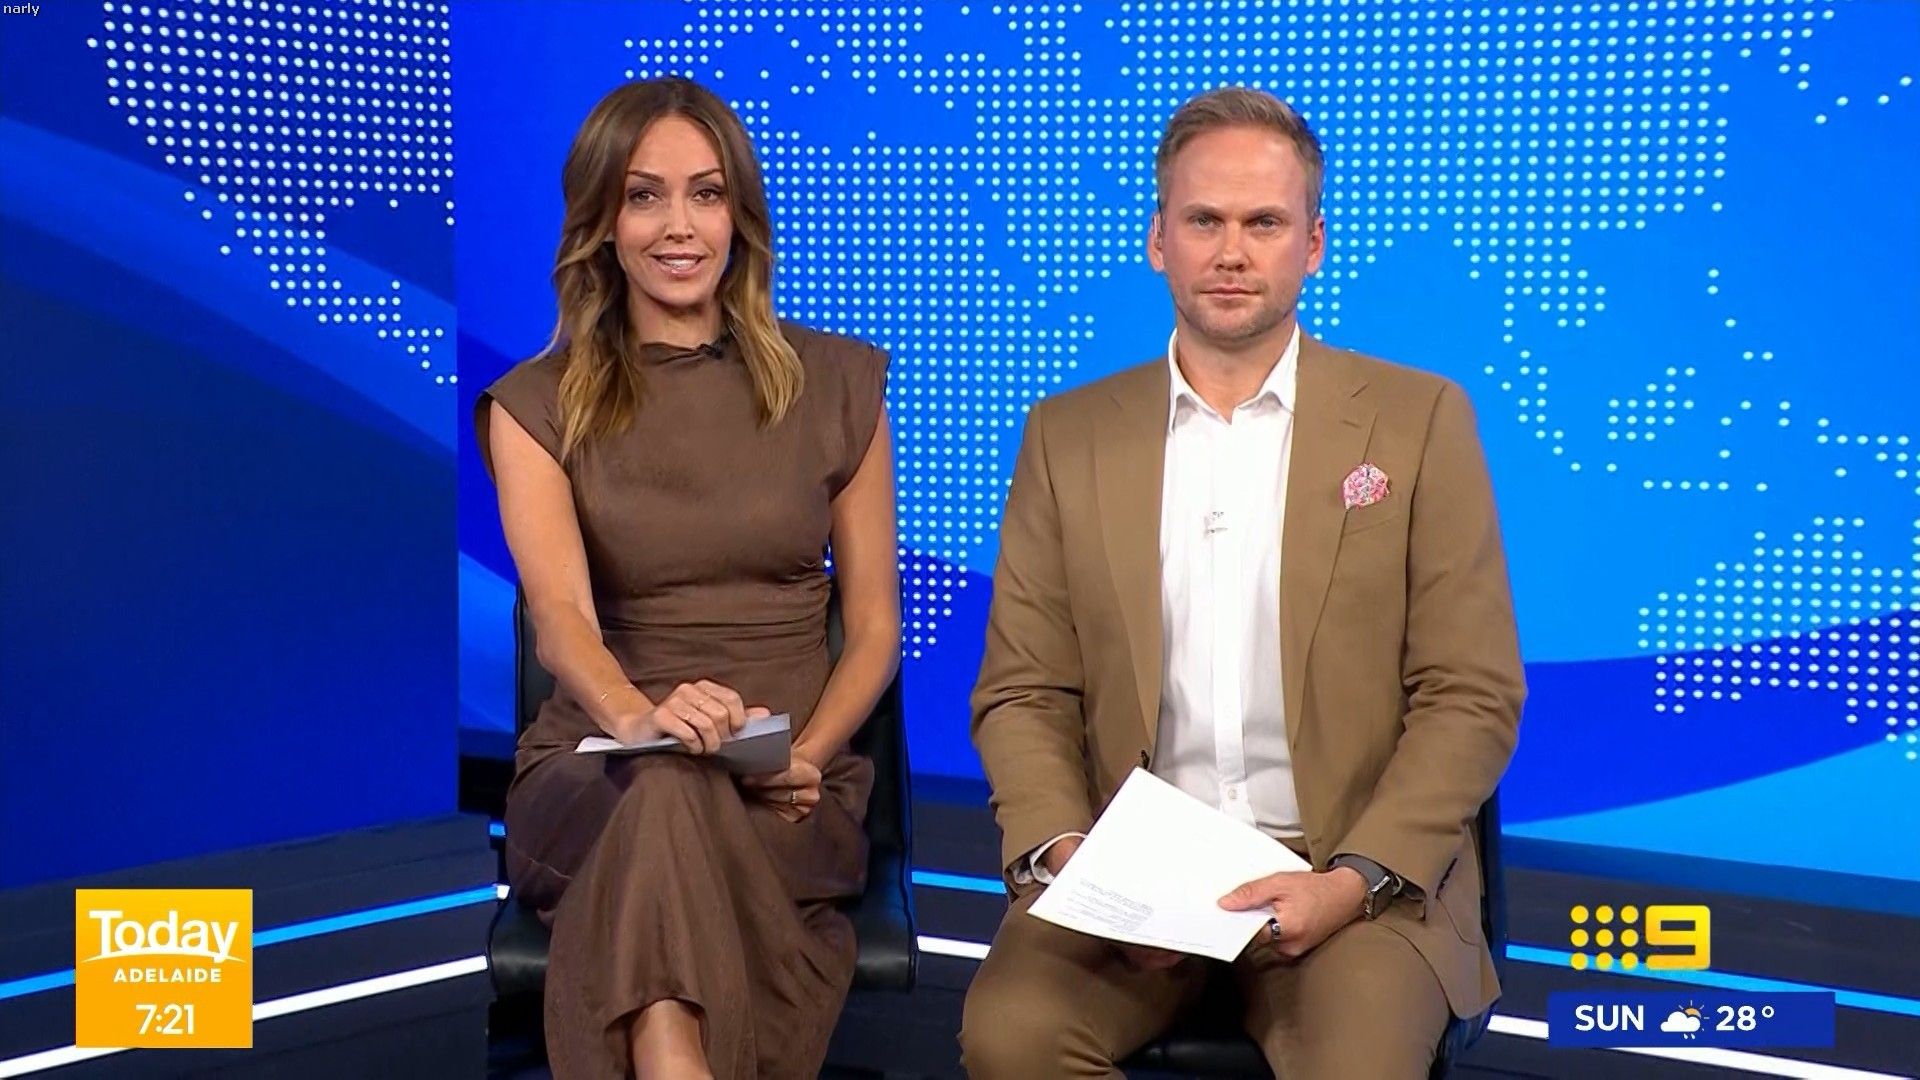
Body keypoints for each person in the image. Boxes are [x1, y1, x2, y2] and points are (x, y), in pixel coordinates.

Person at [960, 86, 1526, 1078]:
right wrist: (1073, 858)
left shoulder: (1419, 420)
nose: (1231, 252)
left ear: (1313, 245)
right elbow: (1024, 690)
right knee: (1011, 1039)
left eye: (1263, 223)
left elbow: (1470, 693)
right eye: (1203, 221)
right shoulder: (1067, 435)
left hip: (1349, 883)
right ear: (1158, 240)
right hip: (1133, 883)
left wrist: (1350, 881)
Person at [477, 77, 899, 1080]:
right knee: (664, 788)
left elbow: (876, 627)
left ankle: (670, 1052)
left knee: (673, 820)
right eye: (644, 196)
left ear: (738, 214)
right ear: (602, 222)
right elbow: (561, 620)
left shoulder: (840, 385)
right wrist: (641, 720)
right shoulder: (535, 405)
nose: (679, 226)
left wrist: (806, 756)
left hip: (788, 784)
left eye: (706, 194)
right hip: (599, 771)